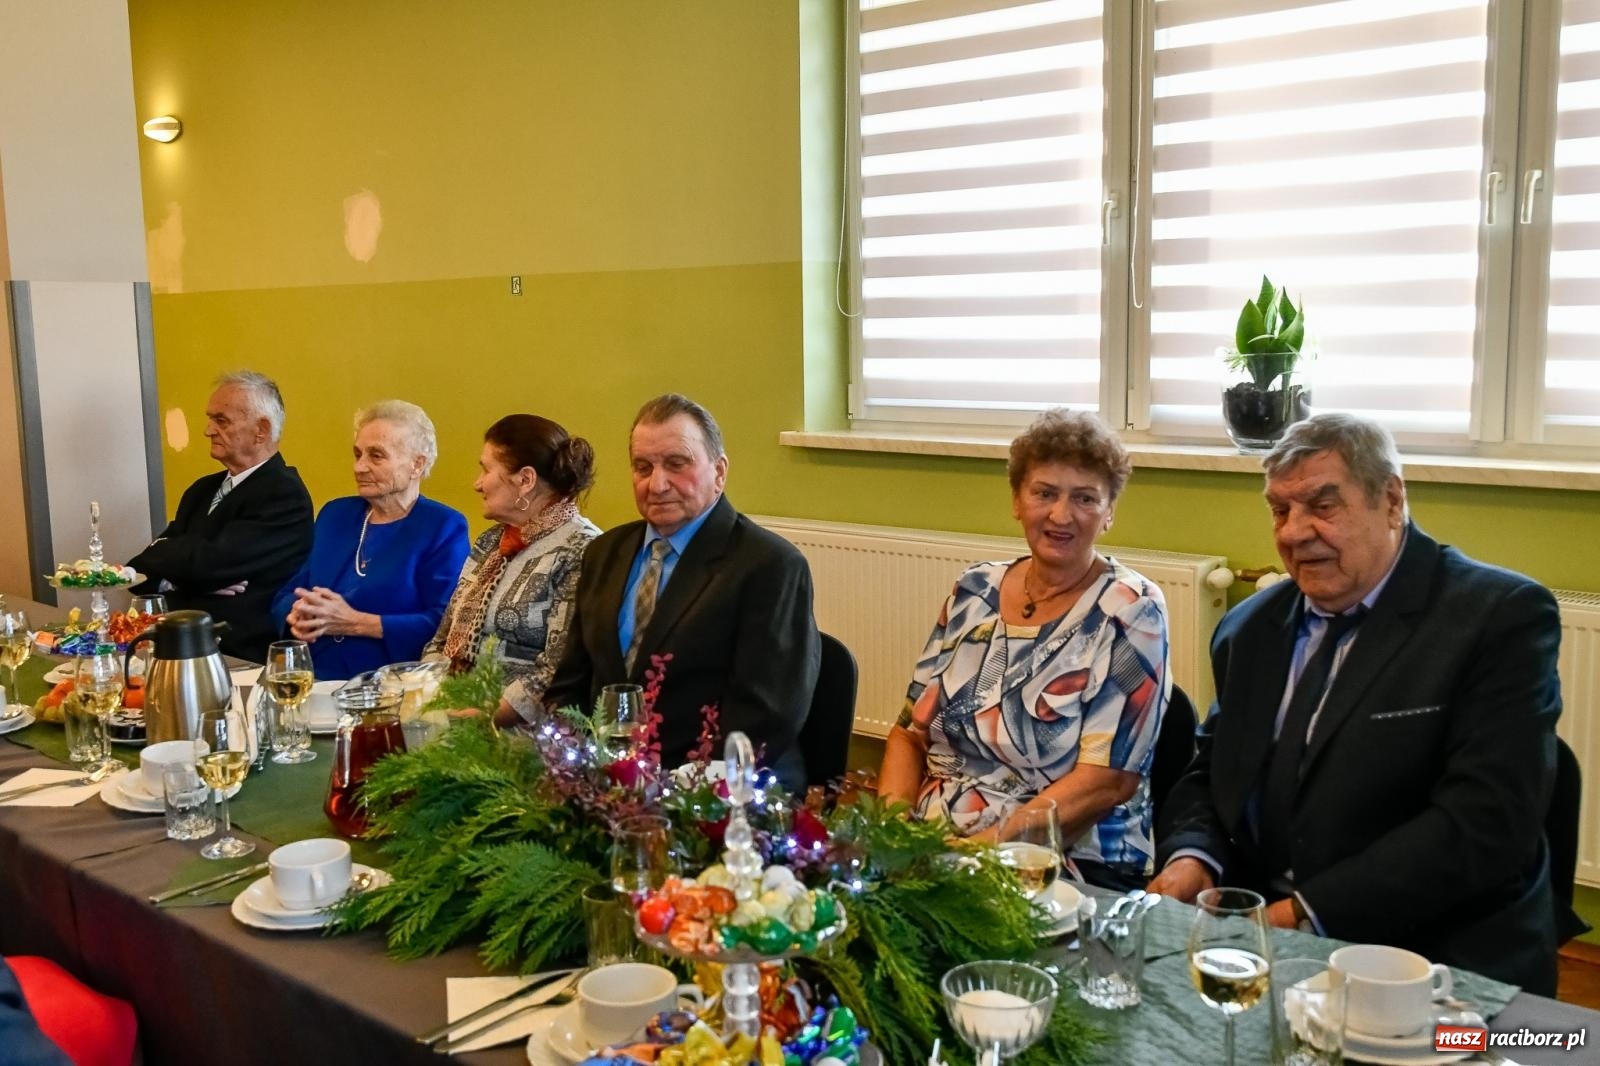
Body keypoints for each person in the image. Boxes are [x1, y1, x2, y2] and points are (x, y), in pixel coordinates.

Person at [1150, 413, 1563, 994]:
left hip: (1436, 953)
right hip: (1266, 936)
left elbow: (1485, 821)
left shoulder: (1499, 618)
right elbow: (1214, 770)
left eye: (1323, 506)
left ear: (1391, 501)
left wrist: (1298, 915)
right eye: (1280, 510)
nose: (1294, 532)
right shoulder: (1250, 628)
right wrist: (1192, 859)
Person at [876, 410, 1171, 890]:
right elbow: (909, 734)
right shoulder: (974, 590)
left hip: (1060, 859)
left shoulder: (1131, 609)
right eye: (1045, 493)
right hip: (933, 843)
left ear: (1109, 512)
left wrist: (972, 854)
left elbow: (1108, 781)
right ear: (1017, 500)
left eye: (1085, 498)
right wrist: (891, 836)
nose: (1061, 515)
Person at [543, 394, 820, 792]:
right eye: (643, 467)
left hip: (715, 785)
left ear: (719, 472)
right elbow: (570, 683)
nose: (657, 484)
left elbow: (766, 715)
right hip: (605, 780)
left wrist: (675, 788)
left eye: (677, 464)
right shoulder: (604, 553)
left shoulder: (770, 565)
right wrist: (566, 763)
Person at [271, 401, 470, 680]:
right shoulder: (335, 514)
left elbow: (446, 624)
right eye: (358, 454)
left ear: (417, 464)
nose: (359, 467)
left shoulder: (442, 526)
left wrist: (356, 623)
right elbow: (289, 592)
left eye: (376, 456)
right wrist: (297, 612)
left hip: (389, 684)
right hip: (311, 676)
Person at [424, 414, 600, 720]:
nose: (477, 484)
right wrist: (427, 693)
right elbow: (442, 638)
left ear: (525, 480)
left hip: (523, 735)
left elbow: (557, 669)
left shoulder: (581, 549)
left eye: (486, 469)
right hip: (455, 716)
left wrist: (475, 717)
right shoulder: (491, 541)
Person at [129, 371, 313, 662]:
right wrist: (193, 579)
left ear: (261, 430)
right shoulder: (201, 490)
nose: (208, 430)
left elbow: (207, 564)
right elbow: (138, 571)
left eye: (221, 420)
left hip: (239, 656)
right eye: (210, 419)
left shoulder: (283, 494)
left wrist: (175, 569)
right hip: (175, 645)